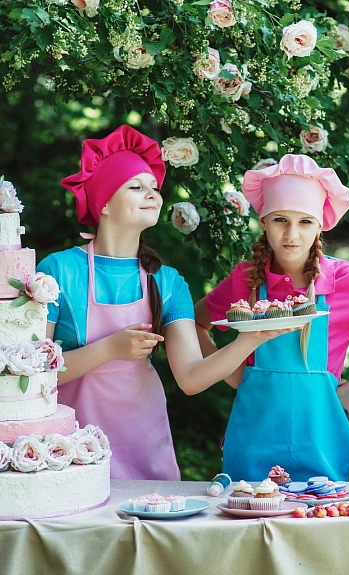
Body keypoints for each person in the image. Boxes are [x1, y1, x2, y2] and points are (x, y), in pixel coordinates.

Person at [38, 125, 292, 480]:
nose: (153, 195)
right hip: (70, 444)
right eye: (136, 187)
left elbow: (190, 378)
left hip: (142, 437)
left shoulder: (168, 282)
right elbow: (31, 375)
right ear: (104, 203)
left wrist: (251, 339)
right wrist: (111, 348)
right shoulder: (57, 271)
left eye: (154, 188)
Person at [194, 154, 349, 481]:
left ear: (320, 225)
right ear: (263, 222)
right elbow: (195, 322)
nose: (291, 234)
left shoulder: (348, 283)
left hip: (322, 448)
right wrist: (230, 370)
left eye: (305, 221)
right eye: (280, 219)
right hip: (251, 446)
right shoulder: (246, 281)